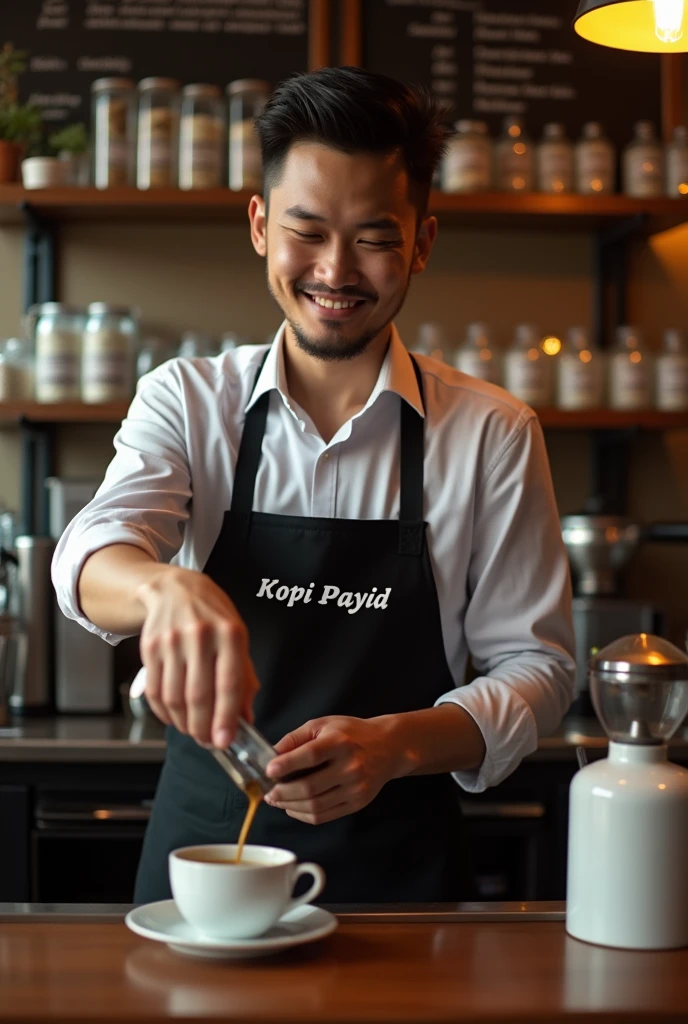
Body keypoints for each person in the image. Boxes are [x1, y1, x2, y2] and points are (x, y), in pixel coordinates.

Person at [52, 67, 575, 905]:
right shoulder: (189, 401)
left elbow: (537, 667)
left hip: (400, 873)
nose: (335, 271)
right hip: (207, 861)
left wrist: (395, 746)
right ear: (260, 226)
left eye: (373, 237)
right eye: (307, 231)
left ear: (423, 242)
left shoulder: (492, 432)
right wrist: (164, 588)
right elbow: (89, 553)